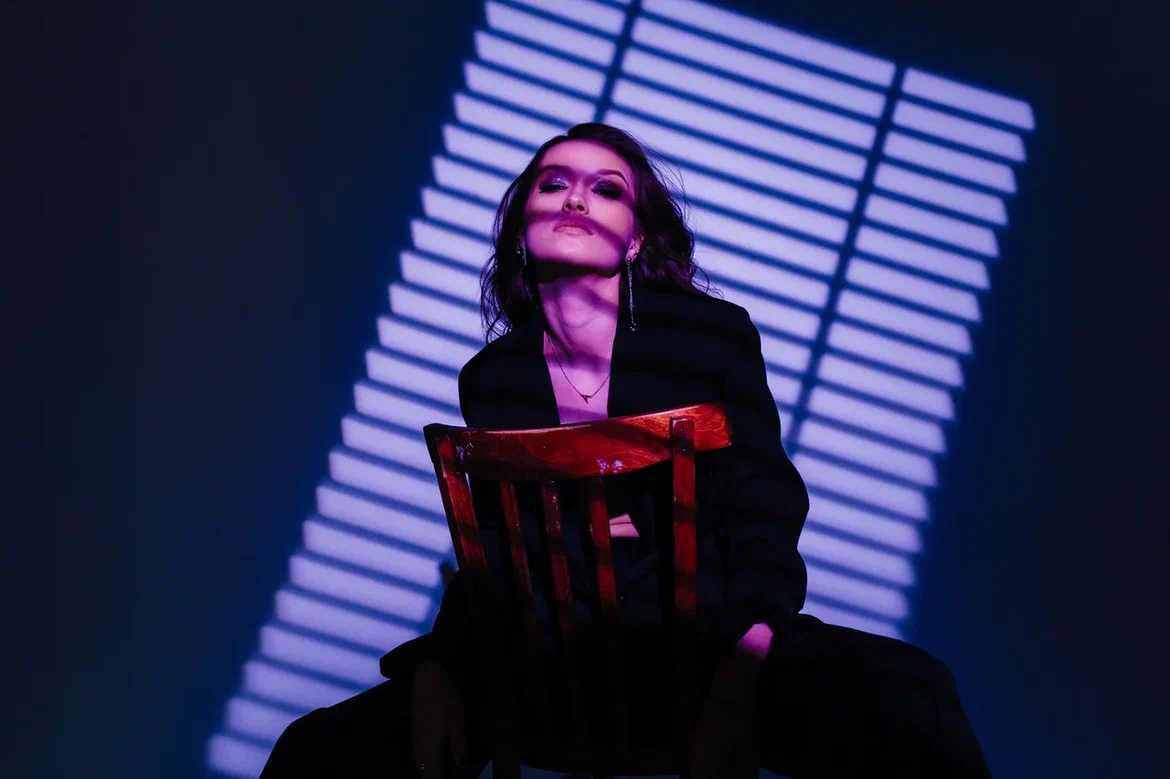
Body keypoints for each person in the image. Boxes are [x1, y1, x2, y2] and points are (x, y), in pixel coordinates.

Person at [259, 123, 989, 778]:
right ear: (520, 228)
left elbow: (763, 513)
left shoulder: (708, 338)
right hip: (550, 652)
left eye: (606, 189)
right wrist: (438, 668)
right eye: (553, 184)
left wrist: (738, 683)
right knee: (318, 749)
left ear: (635, 239)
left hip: (707, 635)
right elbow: (493, 558)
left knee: (915, 697)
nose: (576, 198)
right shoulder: (494, 378)